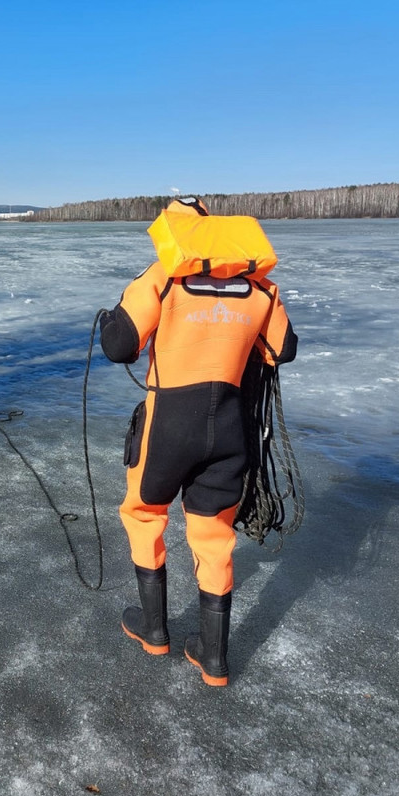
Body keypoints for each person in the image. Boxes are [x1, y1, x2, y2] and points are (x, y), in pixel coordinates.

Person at [99, 196, 297, 686]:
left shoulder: (162, 279)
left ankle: (154, 630)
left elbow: (118, 345)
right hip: (230, 431)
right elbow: (283, 351)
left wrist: (110, 316)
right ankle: (214, 660)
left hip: (167, 428)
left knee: (144, 513)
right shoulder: (260, 290)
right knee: (213, 535)